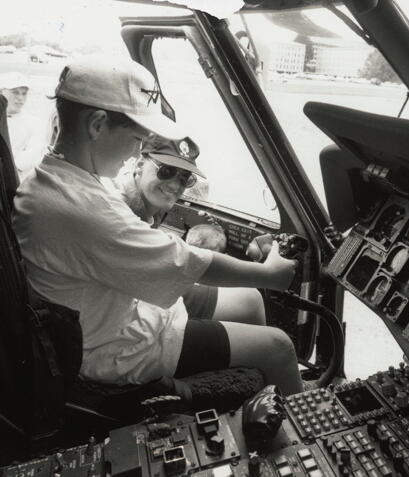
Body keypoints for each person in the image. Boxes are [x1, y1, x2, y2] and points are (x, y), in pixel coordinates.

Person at [12, 56, 304, 395]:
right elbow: (181, 261)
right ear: (97, 124)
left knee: (250, 302)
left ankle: (257, 397)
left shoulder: (64, 177)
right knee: (278, 346)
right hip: (116, 350)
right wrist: (272, 275)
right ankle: (301, 442)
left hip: (118, 313)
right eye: (137, 138)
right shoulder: (79, 207)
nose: (138, 150)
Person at [111, 133, 264, 326]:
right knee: (251, 303)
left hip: (139, 291)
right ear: (140, 165)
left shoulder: (150, 203)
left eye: (185, 178)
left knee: (250, 299)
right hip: (129, 308)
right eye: (166, 171)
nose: (175, 185)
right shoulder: (122, 209)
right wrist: (269, 274)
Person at [0, 72, 48, 181]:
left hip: (15, 186)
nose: (20, 98)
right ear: (2, 92)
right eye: (15, 92)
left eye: (24, 93)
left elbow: (24, 162)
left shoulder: (36, 124)